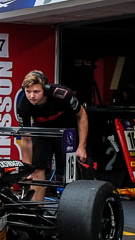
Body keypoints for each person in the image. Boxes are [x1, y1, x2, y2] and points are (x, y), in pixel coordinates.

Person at [16, 71, 89, 201]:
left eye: (36, 91)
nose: (31, 96)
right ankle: (36, 208)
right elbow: (26, 139)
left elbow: (82, 115)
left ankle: (72, 206)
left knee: (67, 171)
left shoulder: (62, 94)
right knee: (37, 169)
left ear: (45, 89)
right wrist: (27, 168)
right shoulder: (23, 105)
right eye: (28, 91)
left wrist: (82, 146)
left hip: (67, 129)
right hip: (42, 130)